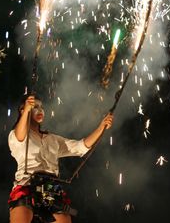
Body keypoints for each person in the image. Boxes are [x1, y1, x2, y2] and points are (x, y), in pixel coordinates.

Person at [8, 95, 114, 223]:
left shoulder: (52, 139)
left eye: (41, 107)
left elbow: (81, 146)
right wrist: (26, 110)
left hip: (51, 188)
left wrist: (101, 127)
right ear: (23, 110)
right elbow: (20, 135)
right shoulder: (16, 135)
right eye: (35, 107)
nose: (40, 110)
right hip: (27, 184)